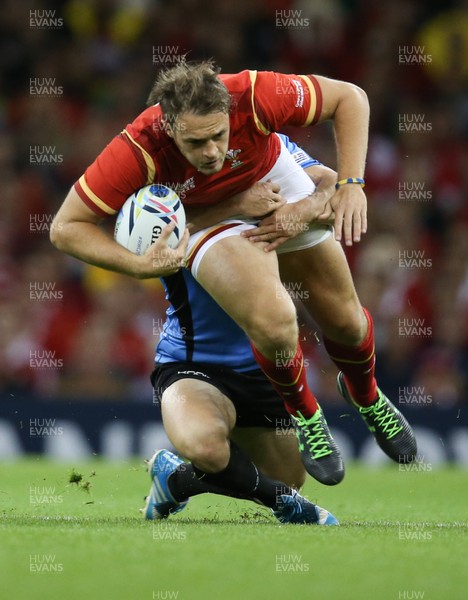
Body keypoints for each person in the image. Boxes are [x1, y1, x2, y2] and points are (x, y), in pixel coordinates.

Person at [51, 61, 416, 486]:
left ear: (229, 115)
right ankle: (307, 417)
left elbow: (350, 96)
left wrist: (350, 184)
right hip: (211, 218)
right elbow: (65, 228)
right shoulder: (138, 148)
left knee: (347, 323)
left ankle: (367, 396)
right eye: (196, 141)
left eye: (218, 135)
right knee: (277, 322)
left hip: (270, 178)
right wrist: (138, 265)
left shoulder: (254, 94)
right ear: (169, 128)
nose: (211, 151)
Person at [143, 135, 338, 525]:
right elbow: (152, 247)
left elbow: (332, 193)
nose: (212, 148)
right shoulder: (162, 176)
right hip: (191, 364)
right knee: (208, 448)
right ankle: (285, 504)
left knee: (291, 474)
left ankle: (176, 480)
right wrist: (237, 206)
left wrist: (305, 208)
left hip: (263, 365)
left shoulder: (270, 147)